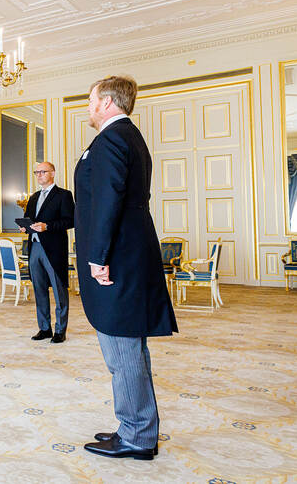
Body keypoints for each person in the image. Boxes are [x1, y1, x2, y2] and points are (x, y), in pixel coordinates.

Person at [74, 75, 177, 460]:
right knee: (129, 347)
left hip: (117, 259)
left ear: (105, 102)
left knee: (123, 350)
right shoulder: (128, 136)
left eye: (90, 100)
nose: (88, 107)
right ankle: (136, 426)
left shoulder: (112, 138)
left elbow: (107, 201)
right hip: (129, 253)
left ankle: (136, 436)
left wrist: (98, 256)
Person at [20, 162, 74, 343]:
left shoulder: (64, 195)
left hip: (54, 249)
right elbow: (29, 219)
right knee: (39, 289)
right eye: (37, 172)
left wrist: (47, 226)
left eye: (42, 172)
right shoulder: (34, 197)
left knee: (59, 291)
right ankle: (44, 328)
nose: (39, 175)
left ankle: (60, 331)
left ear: (52, 173)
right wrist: (25, 227)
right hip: (34, 247)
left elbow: (70, 221)